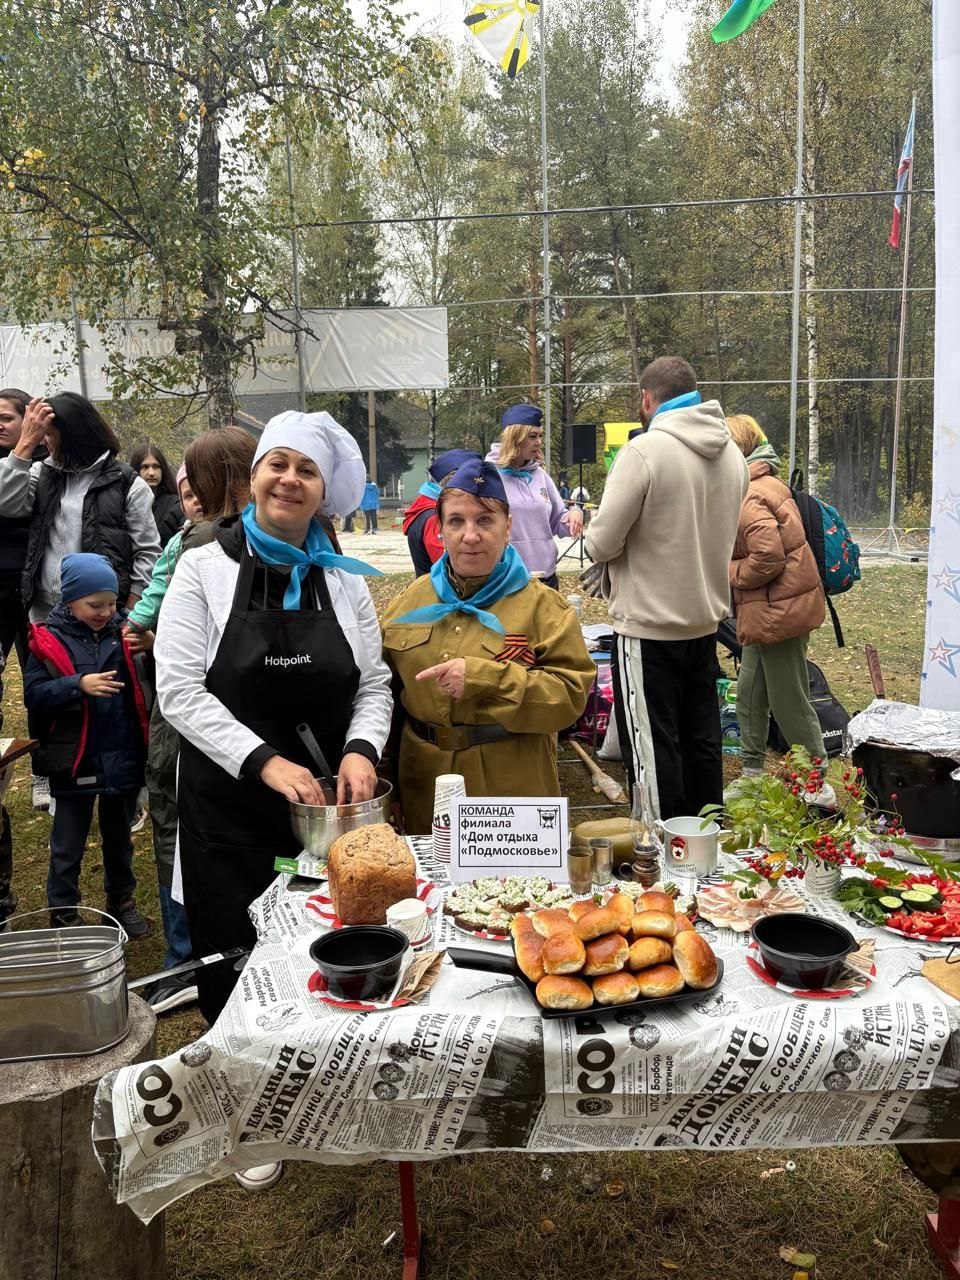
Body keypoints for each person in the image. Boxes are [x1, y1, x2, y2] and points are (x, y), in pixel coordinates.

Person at [155, 411, 392, 1027]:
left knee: (332, 972)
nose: (289, 479)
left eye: (307, 471)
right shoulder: (203, 569)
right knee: (238, 983)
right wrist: (264, 761)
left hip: (324, 817)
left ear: (322, 493)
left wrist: (362, 749)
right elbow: (178, 692)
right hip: (228, 814)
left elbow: (373, 684)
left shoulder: (343, 581)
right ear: (255, 476)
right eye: (278, 465)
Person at [382, 457, 596, 834]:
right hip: (424, 786)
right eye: (456, 521)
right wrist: (389, 785)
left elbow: (569, 699)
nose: (471, 535)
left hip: (511, 789)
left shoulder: (545, 609)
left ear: (508, 526)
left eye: (485, 520)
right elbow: (384, 698)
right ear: (440, 529)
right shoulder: (408, 604)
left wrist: (487, 679)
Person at [585, 356, 748, 819]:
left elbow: (601, 543)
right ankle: (706, 838)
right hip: (704, 623)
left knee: (652, 747)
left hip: (648, 628)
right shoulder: (733, 455)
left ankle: (658, 847)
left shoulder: (644, 451)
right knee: (701, 740)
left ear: (646, 398)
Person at [124, 438, 255, 1014]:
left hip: (192, 721)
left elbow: (157, 632)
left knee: (177, 826)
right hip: (243, 720)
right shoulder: (294, 537)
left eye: (192, 483)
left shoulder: (199, 543)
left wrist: (149, 634)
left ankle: (184, 960)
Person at [0, 393, 160, 812]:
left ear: (72, 435)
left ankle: (125, 788)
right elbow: (5, 500)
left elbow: (147, 551)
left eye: (49, 435)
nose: (45, 442)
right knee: (55, 694)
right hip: (48, 615)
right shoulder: (42, 473)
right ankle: (58, 777)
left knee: (113, 700)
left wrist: (132, 607)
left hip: (105, 616)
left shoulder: (126, 483)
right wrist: (24, 445)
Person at [23, 553, 149, 935]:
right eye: (95, 605)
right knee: (68, 844)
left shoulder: (125, 632)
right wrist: (76, 685)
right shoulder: (47, 640)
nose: (105, 612)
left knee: (119, 840)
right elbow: (34, 694)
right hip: (75, 760)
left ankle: (122, 902)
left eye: (111, 603)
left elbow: (157, 678)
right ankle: (64, 913)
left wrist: (153, 645)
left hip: (122, 755)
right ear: (70, 600)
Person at [726, 414, 828, 775]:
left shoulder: (751, 493)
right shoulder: (764, 482)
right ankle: (752, 772)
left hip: (779, 612)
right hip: (768, 610)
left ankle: (817, 780)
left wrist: (727, 571)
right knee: (750, 693)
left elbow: (767, 558)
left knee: (789, 699)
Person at [486, 404, 582, 588]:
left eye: (539, 436)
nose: (538, 442)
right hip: (507, 579)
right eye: (532, 436)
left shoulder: (540, 475)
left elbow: (557, 521)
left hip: (546, 577)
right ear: (514, 437)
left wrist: (574, 513)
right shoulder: (490, 476)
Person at [0, 388, 46, 674]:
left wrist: (26, 446)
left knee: (40, 671)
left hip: (38, 587)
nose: (0, 426)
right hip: (1, 587)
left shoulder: (49, 463)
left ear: (28, 419)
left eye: (6, 418)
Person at [402, 448, 480, 576]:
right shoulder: (435, 517)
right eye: (473, 481)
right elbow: (449, 567)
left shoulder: (427, 507)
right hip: (441, 587)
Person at [129, 443, 185, 548]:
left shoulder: (176, 505)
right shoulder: (127, 505)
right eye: (145, 467)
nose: (151, 473)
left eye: (156, 467)